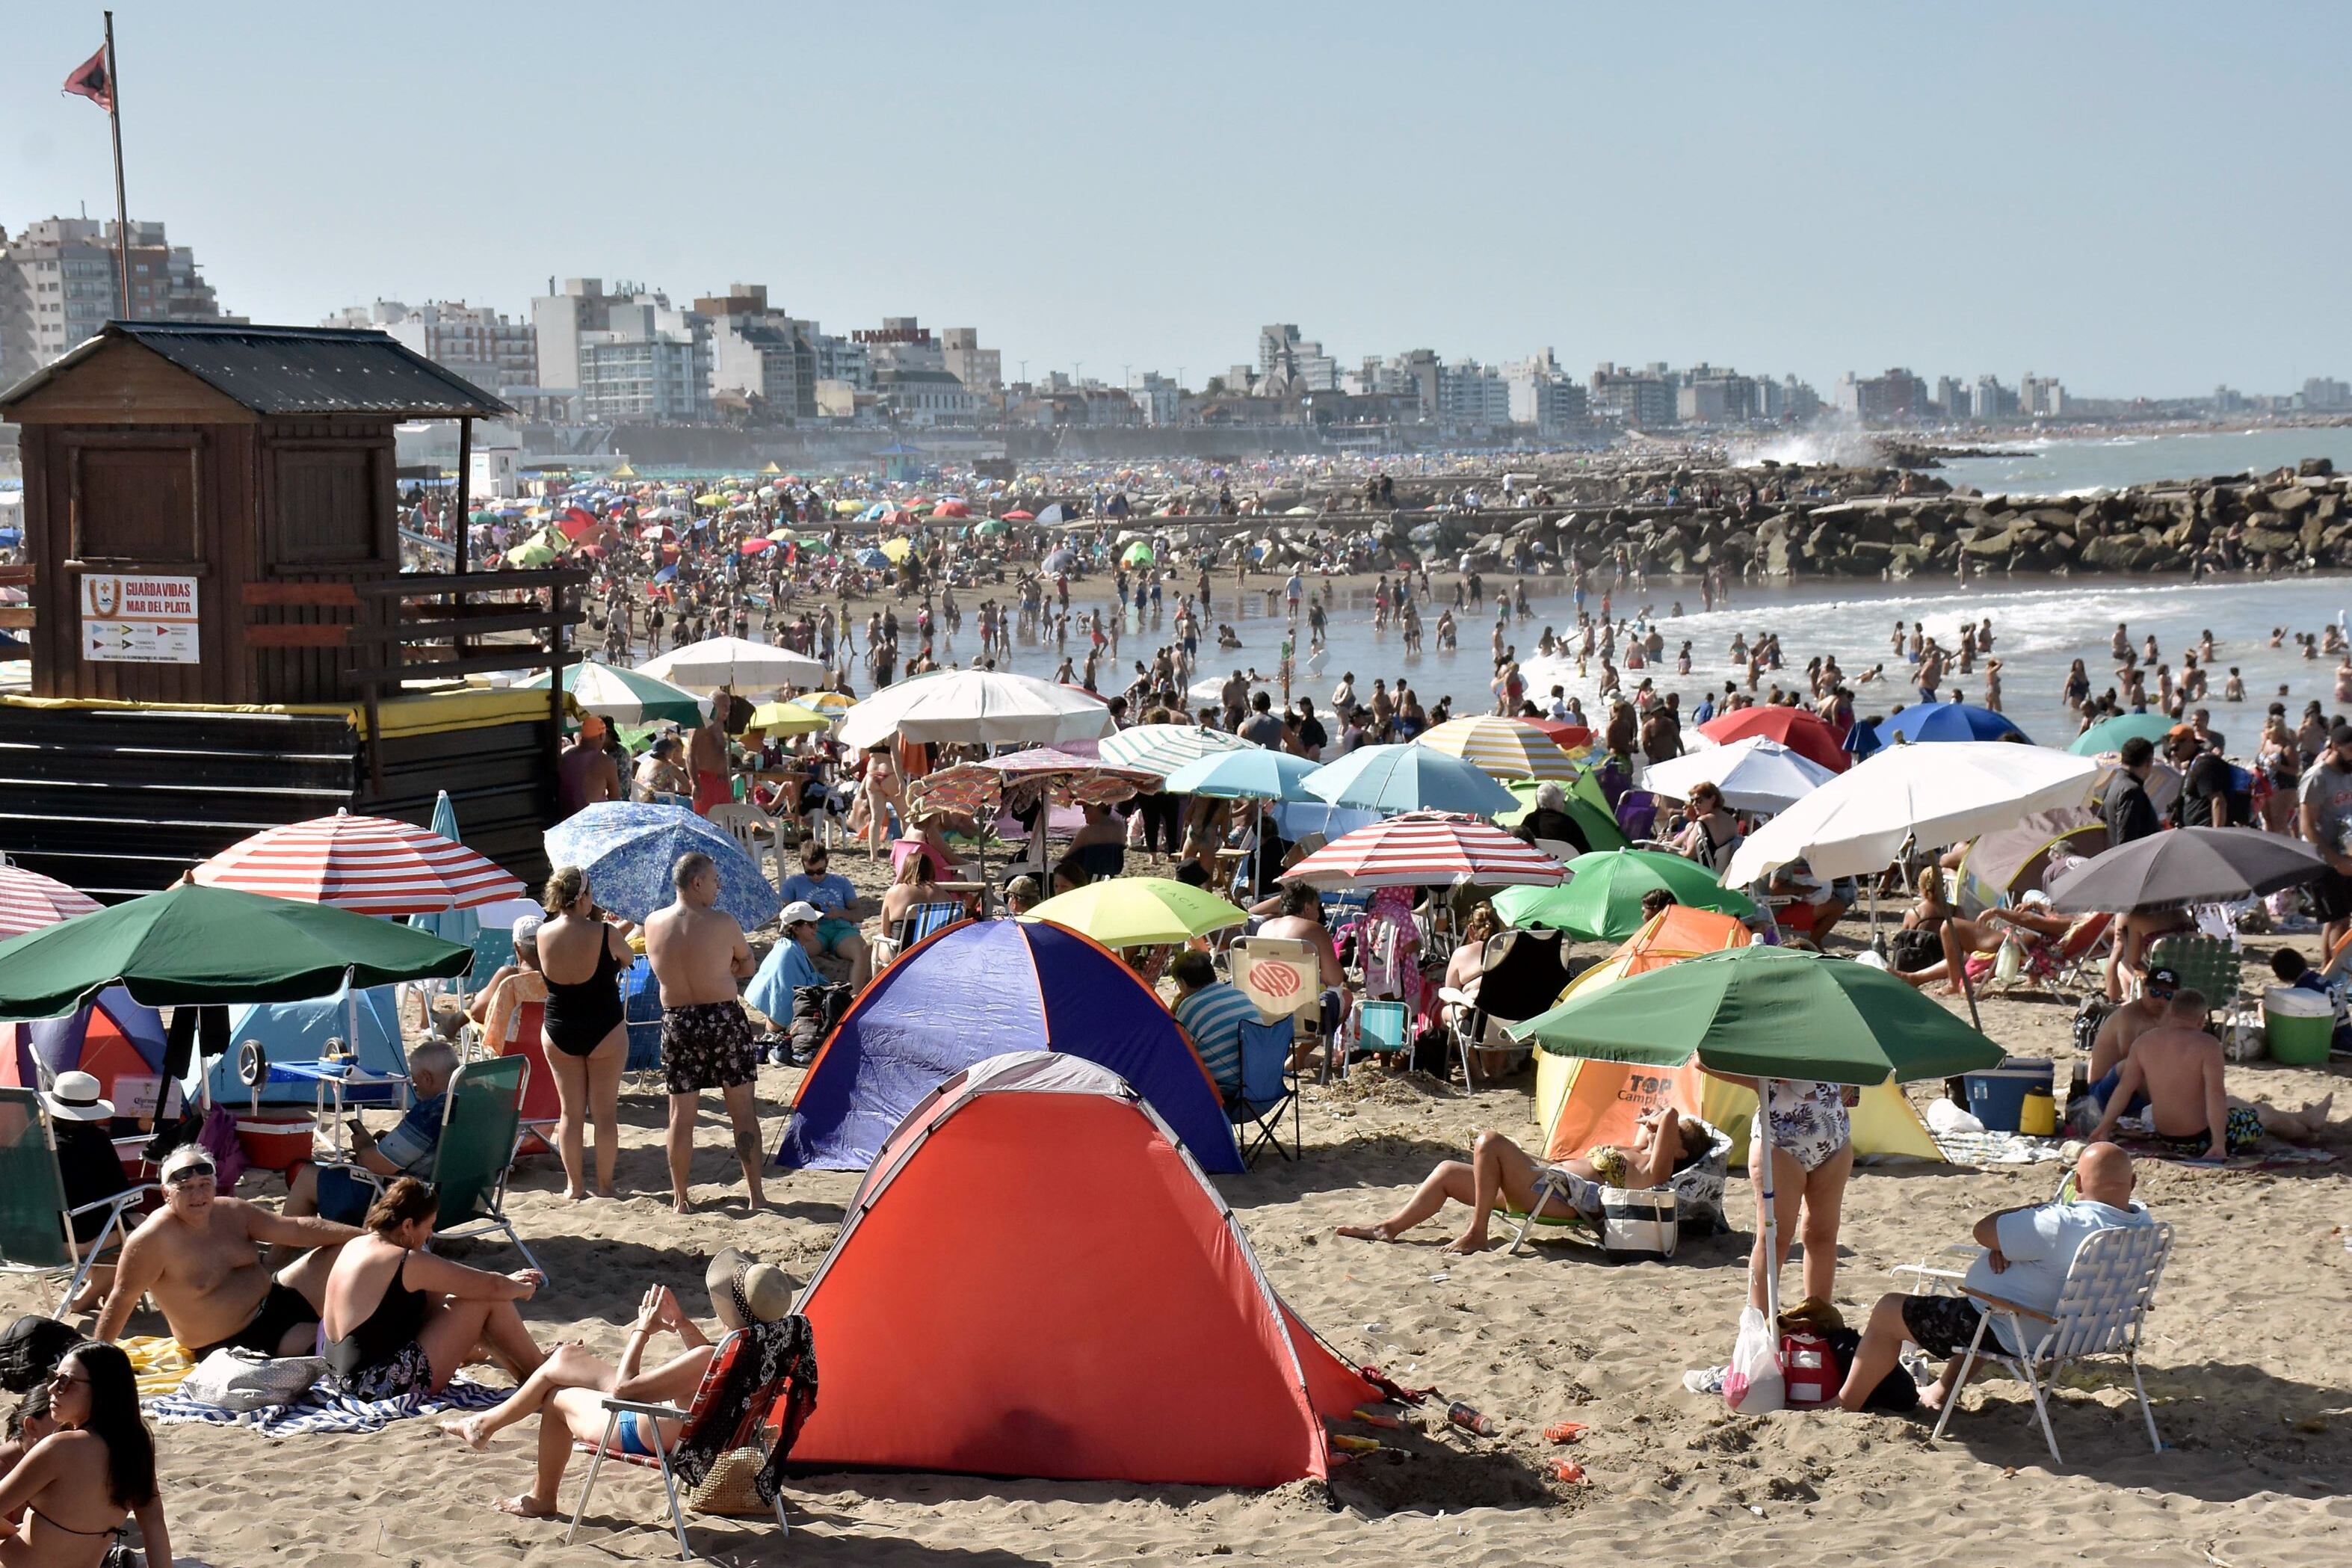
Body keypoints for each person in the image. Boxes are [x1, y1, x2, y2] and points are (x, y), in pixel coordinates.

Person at [442, 1250, 799, 1520]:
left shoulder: (710, 1356)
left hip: (640, 1428)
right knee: (565, 1359)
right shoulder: (761, 1348)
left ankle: (541, 1498)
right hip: (681, 1424)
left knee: (555, 1399)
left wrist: (641, 1330)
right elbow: (707, 1367)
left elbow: (623, 1391)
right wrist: (681, 1324)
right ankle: (483, 1425)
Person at [1836, 1144, 2150, 1416]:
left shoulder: (2059, 1222)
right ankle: (1942, 1391)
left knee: (1889, 1309)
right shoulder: (2144, 1226)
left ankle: (1845, 1404)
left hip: (2022, 1332)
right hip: (2086, 1334)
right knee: (1982, 1308)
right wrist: (2012, 1248)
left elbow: (1983, 1229)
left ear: (2077, 1182)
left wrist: (2038, 1210)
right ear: (2133, 1182)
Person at [94, 1145, 356, 1359]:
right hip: (238, 1339)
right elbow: (122, 1299)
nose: (197, 1194)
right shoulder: (152, 1240)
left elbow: (296, 1229)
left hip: (278, 1296)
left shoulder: (232, 1211)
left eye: (204, 1184)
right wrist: (93, 1361)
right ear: (166, 1194)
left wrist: (368, 1236)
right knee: (337, 1349)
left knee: (355, 1250)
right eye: (185, 1187)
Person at [1336, 1109, 1711, 1253]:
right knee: (1450, 1170)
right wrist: (1656, 1124)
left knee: (1490, 1141)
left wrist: (1671, 1116)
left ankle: (1477, 1232)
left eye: (1669, 1129)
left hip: (1556, 1198)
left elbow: (1668, 1131)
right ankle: (1389, 1228)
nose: (1657, 1123)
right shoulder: (1632, 1150)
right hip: (1540, 1187)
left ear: (1677, 1152)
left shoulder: (1650, 1171)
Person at [318, 1178, 546, 1401]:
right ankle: (539, 1369)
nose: (429, 1235)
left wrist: (503, 1285)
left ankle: (527, 1370)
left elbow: (442, 1299)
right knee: (485, 1300)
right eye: (428, 1226)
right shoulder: (404, 1260)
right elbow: (491, 1287)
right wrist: (521, 1288)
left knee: (472, 1299)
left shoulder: (356, 1245)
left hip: (340, 1379)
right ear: (407, 1225)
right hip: (375, 1384)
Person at [644, 852, 765, 1214]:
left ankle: (681, 1199)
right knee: (742, 1111)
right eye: (714, 879)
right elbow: (747, 963)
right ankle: (756, 1195)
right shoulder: (723, 922)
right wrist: (723, 968)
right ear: (696, 883)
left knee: (680, 1116)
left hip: (678, 1021)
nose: (718, 885)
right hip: (722, 1019)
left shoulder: (652, 923)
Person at [2089, 990, 2334, 1158]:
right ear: (2200, 1020)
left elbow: (2124, 1089)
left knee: (2237, 1104)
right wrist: (2218, 1144)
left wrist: (2104, 1127)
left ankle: (2306, 1117)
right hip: (2198, 1139)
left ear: (2170, 1014)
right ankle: (2306, 1129)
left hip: (2166, 1136)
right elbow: (2215, 1094)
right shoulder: (2207, 1045)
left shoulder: (2144, 1042)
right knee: (2262, 1114)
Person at [0, 1342, 172, 1567]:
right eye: (53, 1377)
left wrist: (14, 1532)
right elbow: (154, 1526)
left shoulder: (59, 1448)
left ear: (101, 1390)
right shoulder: (136, 1450)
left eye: (65, 1382)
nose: (51, 1389)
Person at [1714, 1073, 1852, 1315]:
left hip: (1835, 1139)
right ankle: (1762, 1330)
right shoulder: (1770, 1036)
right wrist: (1762, 1080)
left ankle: (1817, 1327)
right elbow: (1702, 1059)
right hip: (1778, 1141)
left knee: (1823, 1236)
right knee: (1773, 1239)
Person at [536, 866, 635, 1201]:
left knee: (570, 1113)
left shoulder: (542, 933)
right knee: (605, 1114)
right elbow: (628, 956)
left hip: (559, 1027)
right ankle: (605, 1187)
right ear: (584, 898)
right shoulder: (606, 933)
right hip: (604, 1026)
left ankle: (573, 1187)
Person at [285, 1040, 459, 1226]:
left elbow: (378, 1166)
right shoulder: (477, 1101)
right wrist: (395, 1143)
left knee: (307, 1177)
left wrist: (364, 1145)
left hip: (412, 1203)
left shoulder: (432, 1111)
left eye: (416, 1084)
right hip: (459, 1199)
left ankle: (275, 1255)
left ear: (427, 1078)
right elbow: (437, 1150)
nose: (417, 1091)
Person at [37, 1075, 133, 1312]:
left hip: (33, 1240)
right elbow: (121, 1195)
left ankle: (100, 1287)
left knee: (103, 1236)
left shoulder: (30, 1141)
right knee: (145, 1230)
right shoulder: (95, 1141)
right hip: (74, 1240)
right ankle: (84, 1299)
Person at [1259, 880, 1351, 1045]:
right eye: (1318, 908)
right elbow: (1335, 979)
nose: (1318, 914)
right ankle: (1299, 1058)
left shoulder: (1264, 928)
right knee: (1345, 995)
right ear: (1307, 908)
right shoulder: (1314, 930)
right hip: (1300, 1015)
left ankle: (1282, 1053)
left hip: (1262, 1009)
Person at [777, 841, 874, 991]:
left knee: (863, 951)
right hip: (812, 930)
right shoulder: (794, 883)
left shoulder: (841, 882)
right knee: (796, 952)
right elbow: (782, 913)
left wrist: (840, 913)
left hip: (840, 928)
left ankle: (854, 997)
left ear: (827, 863)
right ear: (803, 865)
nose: (816, 876)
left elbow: (859, 915)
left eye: (820, 871)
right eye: (810, 872)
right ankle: (815, 992)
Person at [1168, 948, 1256, 1100]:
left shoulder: (1190, 1006)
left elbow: (1176, 1051)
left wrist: (1173, 1012)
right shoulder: (1239, 994)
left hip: (1227, 1092)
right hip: (1260, 1082)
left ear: (1182, 983)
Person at [2298, 722, 2352, 956]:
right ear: (2336, 746)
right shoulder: (2318, 776)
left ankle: (2327, 973)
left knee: (2337, 918)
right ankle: (2340, 976)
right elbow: (2307, 825)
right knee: (2339, 919)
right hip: (2322, 857)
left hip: (2345, 852)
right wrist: (2336, 861)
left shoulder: (2348, 774)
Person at [556, 715, 623, 820]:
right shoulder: (606, 762)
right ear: (602, 736)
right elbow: (615, 801)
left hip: (565, 821)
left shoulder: (565, 756)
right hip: (592, 822)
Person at [2102, 735, 2162, 847]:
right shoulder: (2132, 791)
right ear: (2148, 763)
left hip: (2114, 853)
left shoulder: (2115, 782)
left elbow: (2104, 819)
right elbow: (2127, 839)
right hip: (2134, 859)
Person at [1670, 782, 1738, 874]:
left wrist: (1665, 851)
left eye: (1699, 800)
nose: (1694, 804)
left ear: (1713, 799)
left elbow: (1689, 855)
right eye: (1692, 801)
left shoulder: (1704, 821)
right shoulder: (1732, 821)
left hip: (1701, 874)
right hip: (1723, 875)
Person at [1510, 780, 1589, 856]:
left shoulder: (1529, 820)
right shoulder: (1567, 822)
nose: (1564, 805)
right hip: (1566, 866)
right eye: (1562, 801)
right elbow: (1585, 852)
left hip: (1538, 865)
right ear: (1555, 803)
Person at [688, 697, 735, 816]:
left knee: (726, 819)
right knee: (705, 821)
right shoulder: (702, 722)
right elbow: (690, 753)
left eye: (729, 706)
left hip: (721, 780)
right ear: (714, 705)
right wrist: (695, 783)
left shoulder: (719, 724)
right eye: (724, 706)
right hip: (704, 779)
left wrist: (725, 774)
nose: (728, 710)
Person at [632, 735, 692, 802]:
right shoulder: (669, 765)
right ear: (668, 751)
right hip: (660, 803)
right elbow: (690, 788)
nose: (674, 752)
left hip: (640, 801)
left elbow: (635, 782)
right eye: (673, 750)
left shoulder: (644, 763)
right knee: (690, 803)